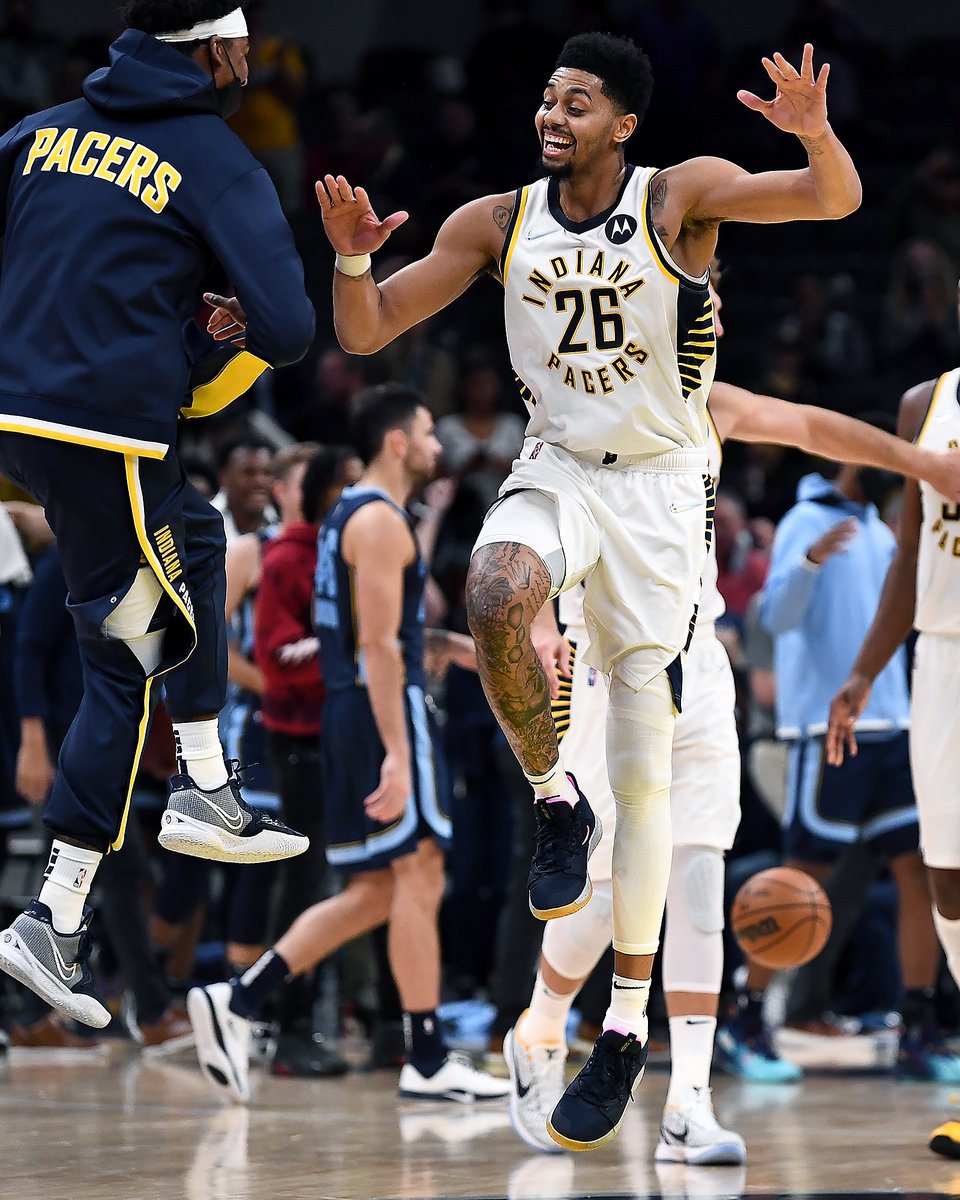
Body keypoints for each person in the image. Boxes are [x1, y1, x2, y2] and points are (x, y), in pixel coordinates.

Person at [210, 31, 860, 1145]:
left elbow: (830, 199)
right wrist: (354, 260)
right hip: (559, 467)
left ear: (624, 124)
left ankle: (621, 1034)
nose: (552, 115)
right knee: (498, 583)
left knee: (649, 782)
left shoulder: (680, 198)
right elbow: (367, 330)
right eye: (547, 99)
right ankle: (556, 796)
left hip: (659, 494)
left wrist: (813, 132)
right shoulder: (495, 221)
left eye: (578, 102)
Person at [502, 276, 960, 1162]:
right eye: (692, 306)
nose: (709, 316)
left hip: (702, 662)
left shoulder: (714, 406)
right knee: (604, 892)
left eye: (711, 307)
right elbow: (526, 528)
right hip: (609, 667)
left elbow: (819, 428)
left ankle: (691, 1104)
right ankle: (540, 1028)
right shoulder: (575, 414)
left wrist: (922, 464)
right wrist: (533, 624)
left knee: (700, 878)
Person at [0, 0, 314, 1031]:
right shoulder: (213, 157)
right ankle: (61, 909)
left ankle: (194, 797)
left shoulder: (38, 131)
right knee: (131, 656)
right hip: (103, 436)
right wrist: (210, 332)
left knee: (197, 544)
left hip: (22, 421)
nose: (250, 59)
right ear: (214, 51)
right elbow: (292, 328)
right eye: (243, 45)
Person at [187, 385, 508, 1104]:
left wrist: (454, 647)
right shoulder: (384, 523)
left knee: (377, 890)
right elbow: (375, 648)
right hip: (377, 715)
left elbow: (383, 635)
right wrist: (398, 751)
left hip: (349, 712)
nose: (436, 443)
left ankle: (240, 998)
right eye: (428, 430)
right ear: (397, 441)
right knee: (420, 874)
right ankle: (424, 1057)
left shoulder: (347, 517)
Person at [826, 286, 960, 1158]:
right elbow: (911, 554)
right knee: (948, 880)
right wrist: (863, 673)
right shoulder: (926, 404)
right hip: (942, 656)